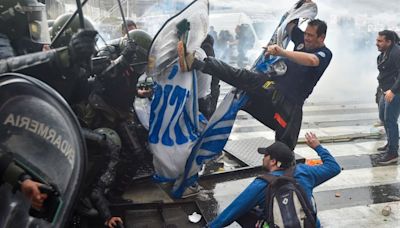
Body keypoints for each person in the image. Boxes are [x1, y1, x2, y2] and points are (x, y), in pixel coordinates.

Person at [179, 18, 332, 150]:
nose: (306, 38)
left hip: (290, 105)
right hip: (272, 87)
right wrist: (303, 5)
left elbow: (312, 60)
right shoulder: (301, 40)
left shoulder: (325, 54)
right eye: (306, 33)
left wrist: (282, 52)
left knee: (284, 147)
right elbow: (290, 23)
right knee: (242, 76)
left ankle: (279, 172)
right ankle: (198, 63)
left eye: (311, 36)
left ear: (321, 38)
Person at [208, 132, 341, 227]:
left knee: (244, 211)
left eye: (265, 155)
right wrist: (317, 146)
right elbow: (334, 167)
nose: (262, 158)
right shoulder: (305, 171)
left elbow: (232, 211)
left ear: (273, 161)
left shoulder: (262, 184)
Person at [375, 30, 400, 165]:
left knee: (390, 120)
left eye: (380, 41)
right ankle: (391, 142)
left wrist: (393, 91)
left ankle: (393, 152)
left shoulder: (396, 53)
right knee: (383, 117)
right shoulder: (385, 53)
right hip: (386, 90)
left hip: (395, 92)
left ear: (389, 42)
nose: (376, 43)